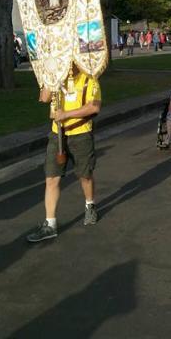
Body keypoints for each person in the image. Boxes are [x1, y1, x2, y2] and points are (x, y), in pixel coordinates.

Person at [27, 64, 102, 242]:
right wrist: (49, 78)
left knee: (85, 175)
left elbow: (94, 107)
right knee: (51, 178)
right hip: (57, 134)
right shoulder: (56, 77)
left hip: (81, 134)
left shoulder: (89, 79)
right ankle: (50, 224)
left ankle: (90, 205)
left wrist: (67, 114)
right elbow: (44, 98)